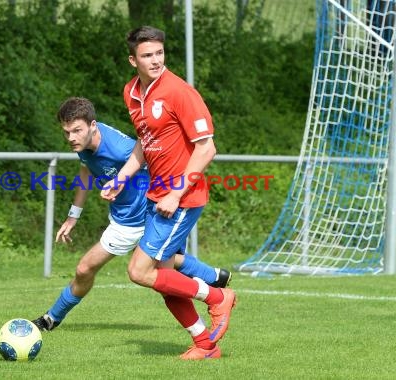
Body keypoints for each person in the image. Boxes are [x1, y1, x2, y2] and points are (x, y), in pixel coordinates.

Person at [31, 97, 231, 332]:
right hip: (123, 222)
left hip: (150, 217)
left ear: (93, 125)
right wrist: (73, 216)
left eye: (76, 131)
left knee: (162, 279)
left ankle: (211, 314)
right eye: (67, 132)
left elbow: (153, 156)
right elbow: (86, 171)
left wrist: (171, 196)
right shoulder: (83, 144)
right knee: (84, 269)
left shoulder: (119, 148)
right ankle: (51, 319)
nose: (71, 137)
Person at [101, 26, 237, 360]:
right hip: (156, 196)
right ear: (132, 60)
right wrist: (121, 177)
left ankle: (218, 298)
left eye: (159, 53)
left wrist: (176, 194)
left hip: (181, 198)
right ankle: (205, 345)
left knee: (140, 271)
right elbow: (144, 144)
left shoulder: (179, 92)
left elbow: (206, 148)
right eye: (147, 55)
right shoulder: (131, 93)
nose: (156, 60)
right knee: (163, 276)